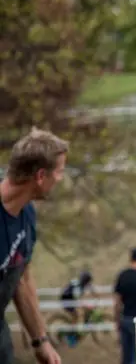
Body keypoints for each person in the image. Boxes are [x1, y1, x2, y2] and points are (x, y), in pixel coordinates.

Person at [0, 128, 67, 364]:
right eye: (59, 172)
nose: (60, 178)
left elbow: (21, 277)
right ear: (41, 176)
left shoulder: (26, 214)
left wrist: (41, 341)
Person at [59, 269, 95, 345]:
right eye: (88, 282)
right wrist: (87, 306)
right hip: (67, 300)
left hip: (70, 299)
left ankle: (74, 331)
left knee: (80, 313)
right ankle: (70, 335)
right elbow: (78, 299)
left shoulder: (80, 283)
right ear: (85, 281)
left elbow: (91, 290)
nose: (89, 284)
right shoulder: (78, 286)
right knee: (76, 316)